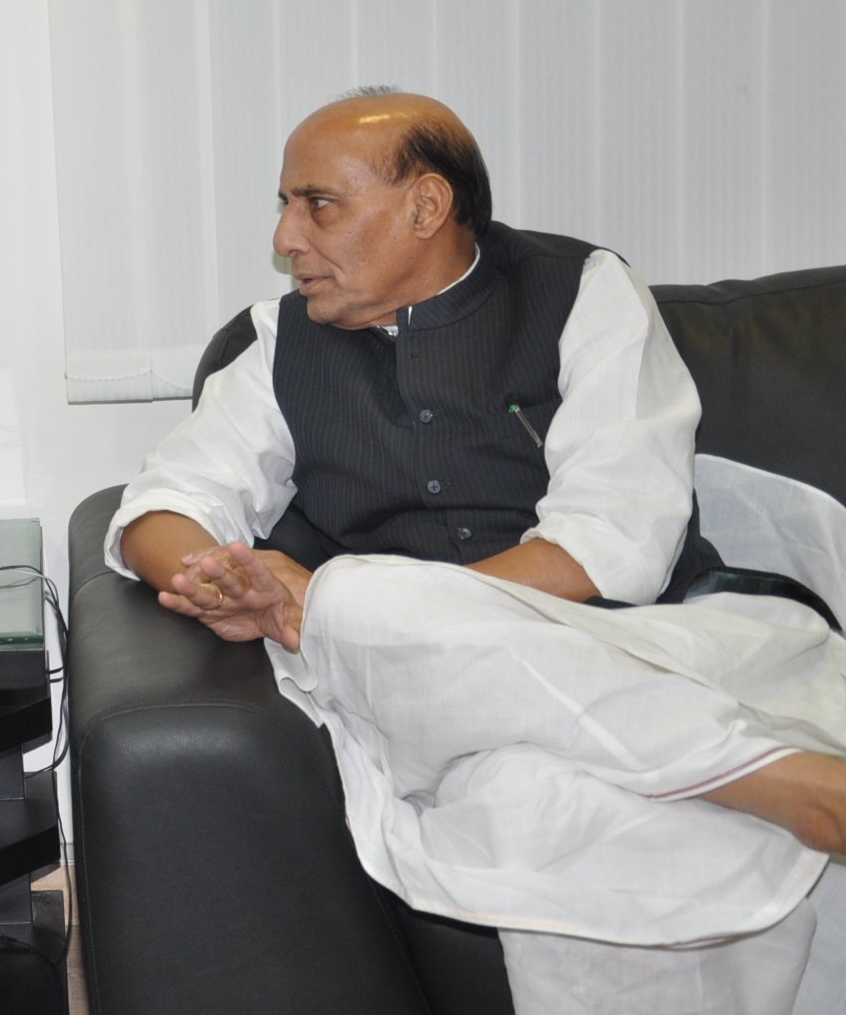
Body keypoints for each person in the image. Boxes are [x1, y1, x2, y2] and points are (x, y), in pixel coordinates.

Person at [105, 89, 846, 1013]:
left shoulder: (583, 293)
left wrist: (392, 613)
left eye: (317, 203)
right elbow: (163, 507)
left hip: (648, 642)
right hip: (439, 708)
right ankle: (785, 782)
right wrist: (215, 575)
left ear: (425, 206)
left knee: (411, 654)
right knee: (488, 746)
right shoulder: (278, 345)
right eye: (286, 206)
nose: (288, 237)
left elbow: (612, 542)